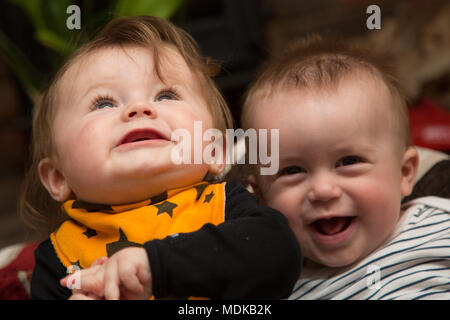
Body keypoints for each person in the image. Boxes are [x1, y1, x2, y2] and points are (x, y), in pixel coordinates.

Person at [22, 16, 302, 300]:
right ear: (57, 177)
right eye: (103, 103)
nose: (139, 108)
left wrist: (155, 267)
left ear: (215, 151)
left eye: (166, 95)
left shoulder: (226, 208)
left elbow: (280, 257)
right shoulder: (58, 258)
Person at [241, 36, 450, 299]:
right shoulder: (277, 287)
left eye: (348, 162)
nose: (323, 190)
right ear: (261, 198)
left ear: (405, 173)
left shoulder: (439, 223)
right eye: (292, 170)